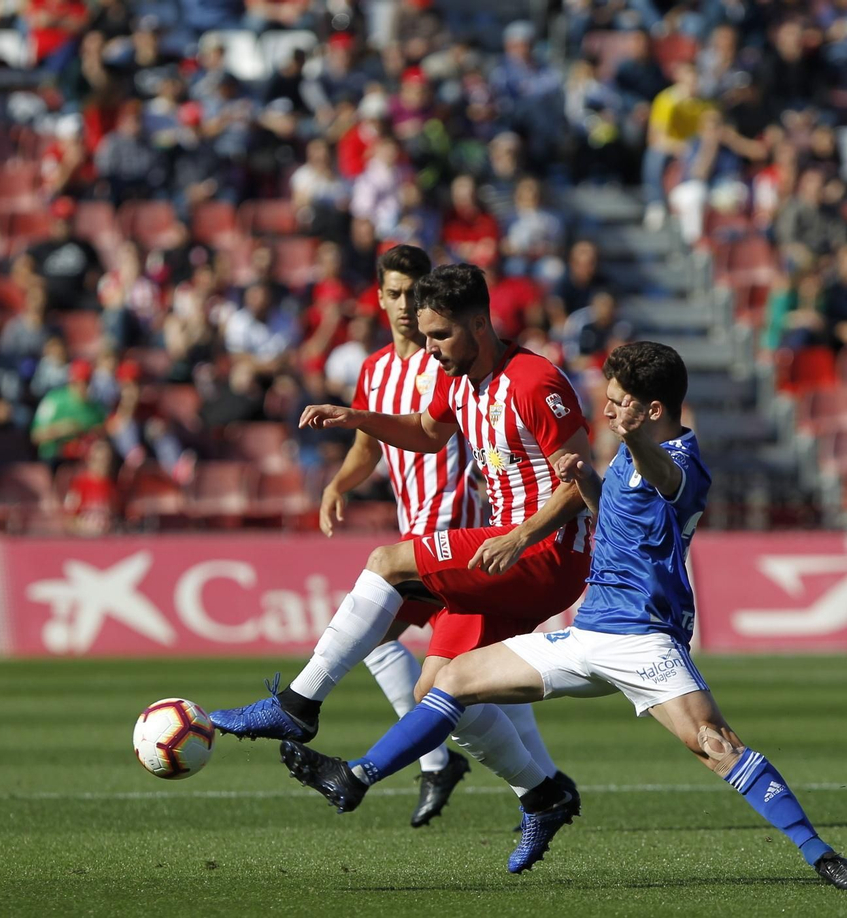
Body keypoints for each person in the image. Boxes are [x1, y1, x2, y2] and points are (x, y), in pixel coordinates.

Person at [280, 342, 847, 889]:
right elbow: (617, 516)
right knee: (449, 680)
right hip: (586, 633)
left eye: (619, 403)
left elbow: (665, 482)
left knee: (716, 745)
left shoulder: (682, 462)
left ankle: (821, 854)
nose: (606, 411)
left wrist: (631, 444)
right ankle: (356, 778)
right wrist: (587, 481)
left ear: (653, 410)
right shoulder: (625, 455)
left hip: (644, 640)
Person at [211, 264, 593, 872]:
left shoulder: (534, 381)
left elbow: (581, 481)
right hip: (505, 552)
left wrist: (521, 535)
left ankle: (298, 705)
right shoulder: (458, 378)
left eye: (440, 334)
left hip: (545, 554)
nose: (430, 346)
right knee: (437, 689)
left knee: (387, 562)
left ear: (478, 324)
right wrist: (359, 419)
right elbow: (425, 431)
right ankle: (543, 794)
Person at [319, 245, 489, 827]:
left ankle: (440, 763)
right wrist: (338, 484)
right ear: (379, 297)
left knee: (377, 638)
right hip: (412, 533)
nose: (402, 306)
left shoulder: (449, 363)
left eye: (413, 295)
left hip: (455, 532)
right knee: (471, 674)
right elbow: (367, 446)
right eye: (393, 293)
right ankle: (541, 786)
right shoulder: (374, 370)